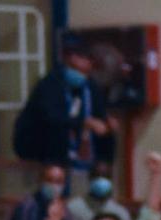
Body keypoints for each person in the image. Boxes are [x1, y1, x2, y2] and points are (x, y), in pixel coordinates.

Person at [13, 34, 114, 170]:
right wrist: (83, 122)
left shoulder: (90, 87)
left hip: (79, 151)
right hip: (43, 147)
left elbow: (98, 113)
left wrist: (107, 122)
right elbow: (52, 118)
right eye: (77, 58)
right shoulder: (49, 85)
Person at [66, 159, 131, 220]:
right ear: (90, 178)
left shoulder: (121, 212)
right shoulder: (73, 208)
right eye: (97, 176)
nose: (101, 180)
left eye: (105, 177)